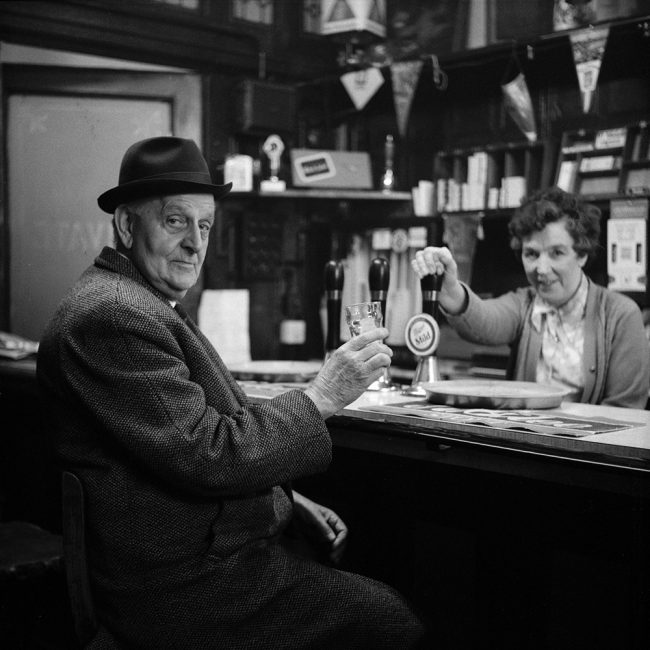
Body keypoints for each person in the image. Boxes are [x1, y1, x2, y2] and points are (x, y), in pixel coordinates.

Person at [37, 136, 426, 648]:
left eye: (205, 226)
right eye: (176, 221)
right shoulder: (114, 314)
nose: (196, 244)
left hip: (205, 556)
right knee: (390, 620)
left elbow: (184, 444)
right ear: (128, 225)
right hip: (178, 588)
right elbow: (210, 453)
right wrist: (324, 395)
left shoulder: (140, 300)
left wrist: (286, 498)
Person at [412, 186, 650, 409]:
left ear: (582, 255)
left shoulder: (621, 315)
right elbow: (485, 320)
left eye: (557, 253)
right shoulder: (524, 304)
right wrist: (452, 290)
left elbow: (625, 411)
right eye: (532, 254)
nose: (542, 268)